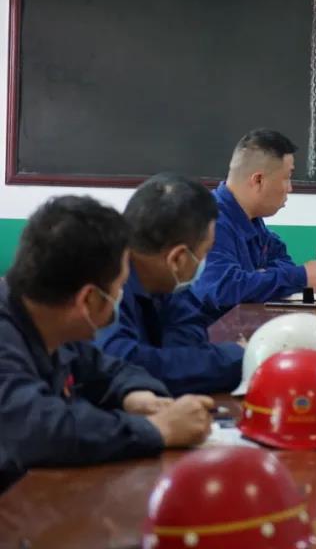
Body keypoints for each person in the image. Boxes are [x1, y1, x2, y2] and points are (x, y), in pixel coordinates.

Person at [0, 196, 213, 493]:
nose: (121, 295)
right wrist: (158, 428)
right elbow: (40, 428)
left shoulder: (49, 322)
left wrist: (135, 395)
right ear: (88, 299)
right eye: (120, 286)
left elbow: (106, 369)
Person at [97, 174, 245, 395]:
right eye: (205, 252)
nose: (204, 262)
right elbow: (124, 366)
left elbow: (188, 335)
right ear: (177, 259)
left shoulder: (167, 281)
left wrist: (181, 364)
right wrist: (236, 357)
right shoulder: (106, 283)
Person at [193, 129, 316, 316]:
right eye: (286, 178)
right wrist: (300, 276)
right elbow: (224, 289)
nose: (290, 188)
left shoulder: (252, 219)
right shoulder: (210, 220)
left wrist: (258, 278)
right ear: (258, 180)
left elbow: (283, 260)